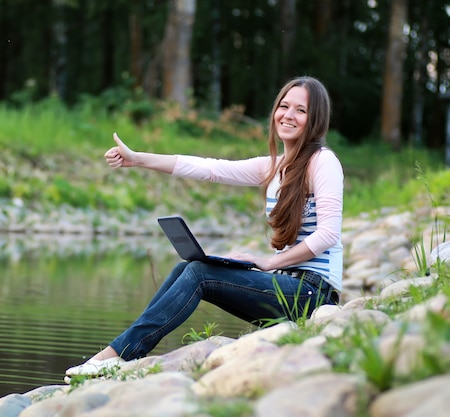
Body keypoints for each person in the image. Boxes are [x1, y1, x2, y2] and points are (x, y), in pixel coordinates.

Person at [65, 76, 343, 380]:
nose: (288, 115)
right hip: (286, 286)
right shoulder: (275, 167)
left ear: (315, 120)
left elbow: (328, 233)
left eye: (300, 110)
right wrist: (137, 159)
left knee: (200, 275)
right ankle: (116, 356)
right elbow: (210, 168)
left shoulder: (322, 162)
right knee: (188, 267)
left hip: (313, 294)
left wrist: (268, 263)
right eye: (284, 106)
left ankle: (116, 357)